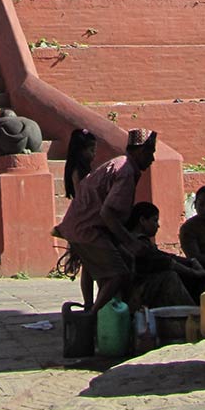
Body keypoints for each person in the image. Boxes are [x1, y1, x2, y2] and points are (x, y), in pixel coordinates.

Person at [53, 128, 158, 315]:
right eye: (151, 153)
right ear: (141, 151)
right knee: (118, 274)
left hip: (83, 227)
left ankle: (102, 314)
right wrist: (130, 241)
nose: (153, 159)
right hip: (88, 229)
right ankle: (91, 317)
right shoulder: (125, 171)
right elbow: (108, 213)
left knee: (108, 270)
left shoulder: (119, 164)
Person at [126, 201, 204, 310]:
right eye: (155, 220)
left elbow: (165, 257)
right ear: (142, 220)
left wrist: (189, 262)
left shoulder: (139, 241)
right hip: (136, 293)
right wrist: (192, 271)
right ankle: (193, 314)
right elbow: (165, 262)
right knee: (170, 277)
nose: (158, 225)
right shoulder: (138, 244)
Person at [61, 128, 98, 308]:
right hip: (85, 220)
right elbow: (85, 196)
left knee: (89, 268)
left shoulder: (75, 169)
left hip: (80, 218)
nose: (94, 154)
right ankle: (91, 303)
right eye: (91, 150)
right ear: (81, 150)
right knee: (91, 266)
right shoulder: (80, 172)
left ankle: (90, 303)